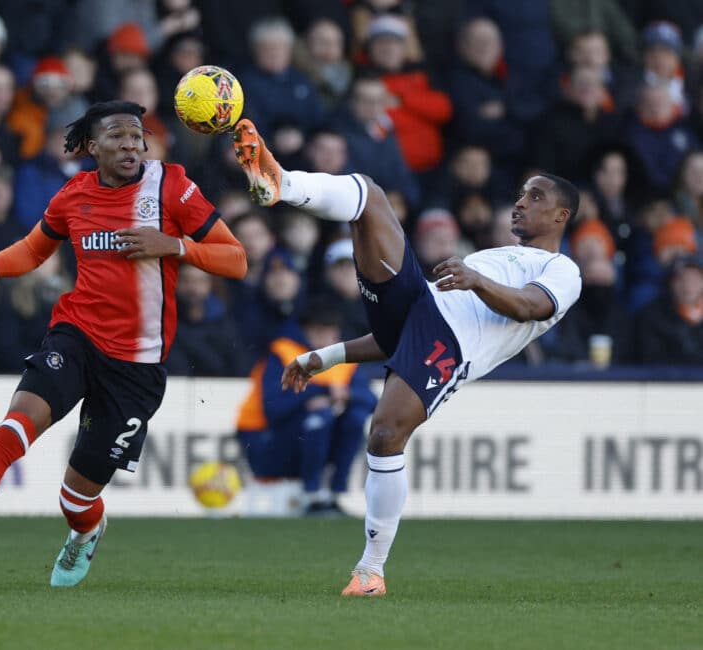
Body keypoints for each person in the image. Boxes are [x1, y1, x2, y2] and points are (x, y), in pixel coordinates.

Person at [0, 101, 247, 589]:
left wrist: (176, 246)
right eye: (117, 137)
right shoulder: (72, 195)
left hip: (136, 366)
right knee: (13, 429)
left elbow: (236, 259)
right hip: (76, 335)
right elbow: (35, 247)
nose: (130, 145)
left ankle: (86, 531)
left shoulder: (172, 187)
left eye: (136, 136)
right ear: (90, 147)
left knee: (76, 501)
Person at [231, 118, 581, 596]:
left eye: (536, 197)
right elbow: (401, 335)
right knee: (370, 196)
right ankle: (281, 183)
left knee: (384, 434)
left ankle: (371, 569)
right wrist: (327, 356)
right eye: (521, 194)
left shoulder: (561, 269)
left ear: (562, 217)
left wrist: (477, 281)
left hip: (449, 346)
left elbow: (530, 307)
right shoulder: (494, 255)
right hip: (418, 306)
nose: (521, 202)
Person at [236, 301, 377, 516]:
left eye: (330, 333)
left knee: (354, 418)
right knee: (319, 416)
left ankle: (334, 493)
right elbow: (273, 408)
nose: (325, 340)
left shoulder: (344, 359)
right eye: (319, 332)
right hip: (267, 440)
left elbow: (372, 401)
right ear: (306, 331)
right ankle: (312, 495)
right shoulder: (285, 353)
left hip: (314, 442)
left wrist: (343, 395)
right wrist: (319, 394)